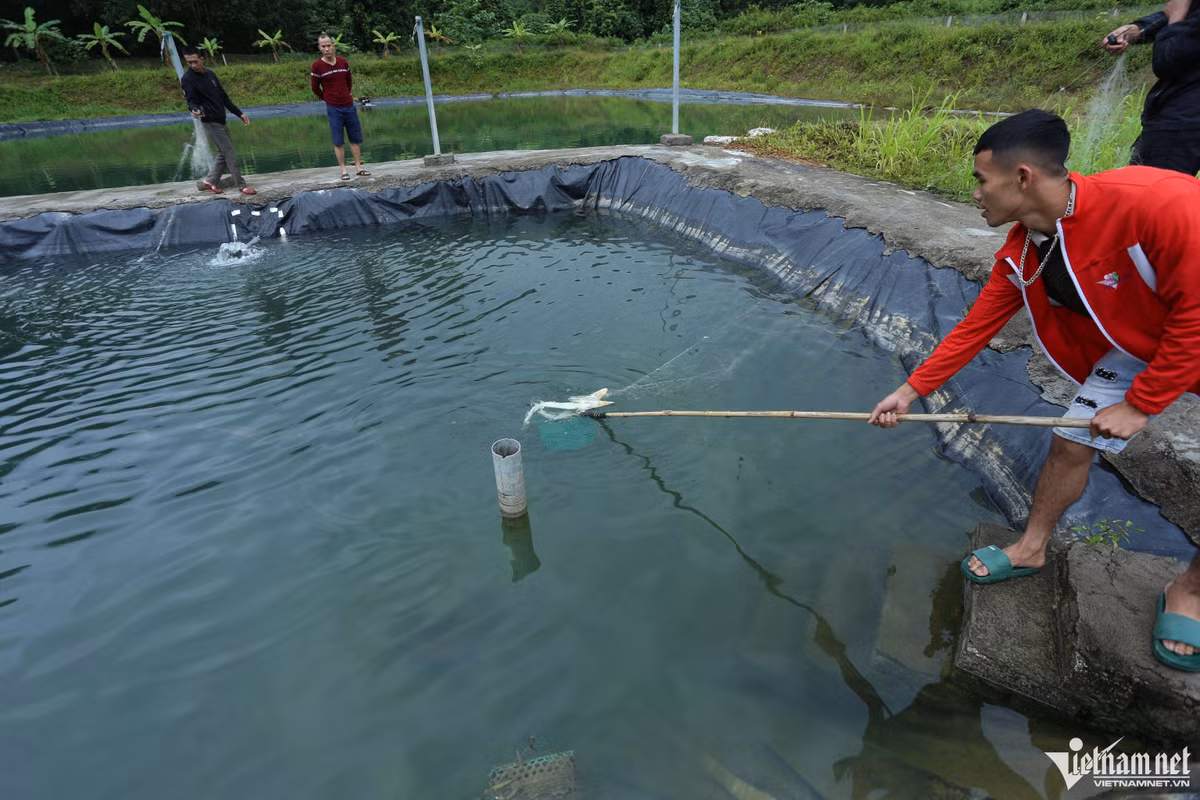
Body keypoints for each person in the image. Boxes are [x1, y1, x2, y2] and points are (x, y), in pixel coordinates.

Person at [868, 110, 1200, 671]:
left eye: (981, 180)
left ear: (1023, 178)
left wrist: (1142, 405)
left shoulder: (1159, 203)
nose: (974, 193)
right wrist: (910, 390)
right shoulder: (1026, 249)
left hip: (1188, 329)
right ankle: (1032, 546)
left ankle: (1191, 589)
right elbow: (976, 326)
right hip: (1136, 349)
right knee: (1072, 441)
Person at [1102, 0, 1200, 175]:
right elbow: (1186, 15)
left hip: (1181, 125)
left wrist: (1176, 18)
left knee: (1148, 193)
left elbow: (1168, 60)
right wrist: (1137, 29)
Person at [179, 47, 256, 196]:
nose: (193, 65)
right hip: (209, 120)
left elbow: (223, 97)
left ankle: (210, 181)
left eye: (195, 61)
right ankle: (241, 185)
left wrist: (239, 113)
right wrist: (194, 109)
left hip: (221, 118)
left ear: (202, 59)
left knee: (223, 152)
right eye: (189, 62)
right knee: (229, 153)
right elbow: (190, 100)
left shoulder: (211, 75)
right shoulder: (188, 79)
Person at [310, 33, 369, 181]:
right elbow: (315, 87)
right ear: (319, 48)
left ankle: (358, 167)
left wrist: (346, 95)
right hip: (333, 108)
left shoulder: (343, 63)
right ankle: (343, 170)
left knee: (355, 138)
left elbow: (349, 82)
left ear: (333, 46)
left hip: (348, 105)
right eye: (323, 46)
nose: (327, 48)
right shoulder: (317, 66)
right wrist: (328, 98)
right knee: (338, 140)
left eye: (329, 45)